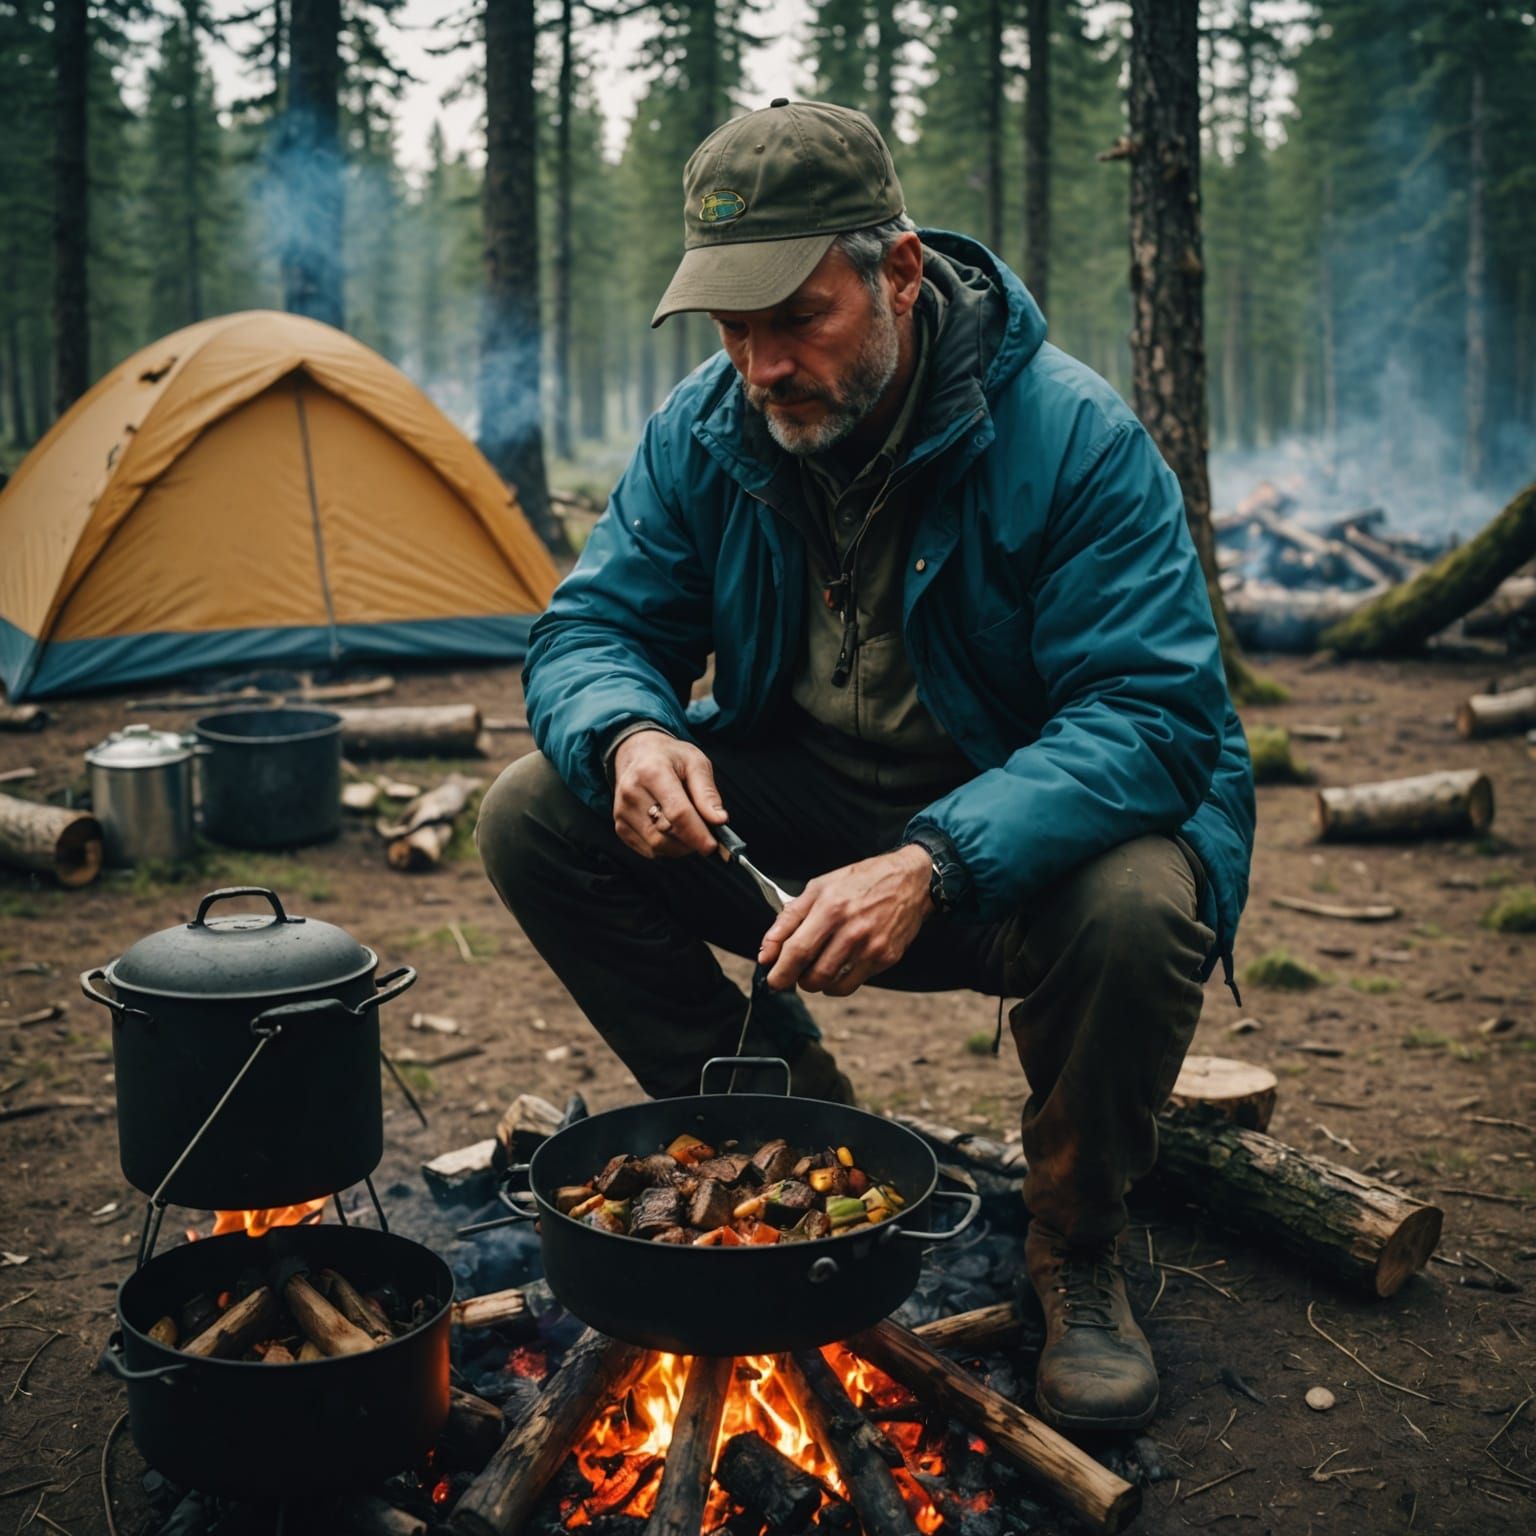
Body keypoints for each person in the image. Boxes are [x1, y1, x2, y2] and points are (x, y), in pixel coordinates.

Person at [477, 99, 1254, 1434]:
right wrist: (631, 729)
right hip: (799, 821)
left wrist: (939, 860)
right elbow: (595, 628)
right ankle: (798, 1128)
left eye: (798, 319)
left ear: (897, 271)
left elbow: (1153, 712)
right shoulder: (708, 430)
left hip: (1018, 855)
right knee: (540, 809)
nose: (763, 365)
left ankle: (1075, 1250)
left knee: (1141, 897)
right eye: (732, 330)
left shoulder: (1070, 439)